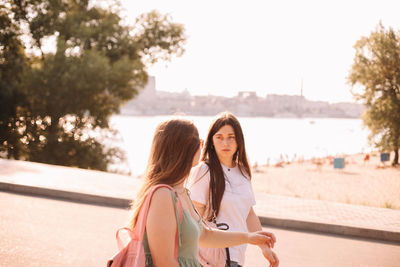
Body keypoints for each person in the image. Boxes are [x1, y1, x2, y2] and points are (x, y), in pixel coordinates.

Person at [128, 118, 276, 267]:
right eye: (197, 141)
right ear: (183, 148)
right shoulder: (163, 195)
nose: (201, 145)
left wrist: (249, 237)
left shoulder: (181, 191)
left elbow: (205, 234)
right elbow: (164, 262)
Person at [188, 112, 279, 267]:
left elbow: (249, 214)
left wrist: (264, 247)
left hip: (236, 256)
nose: (226, 143)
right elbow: (194, 221)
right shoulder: (204, 171)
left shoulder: (243, 172)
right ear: (212, 141)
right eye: (219, 137)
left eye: (231, 137)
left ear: (239, 141)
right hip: (209, 257)